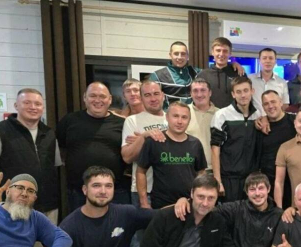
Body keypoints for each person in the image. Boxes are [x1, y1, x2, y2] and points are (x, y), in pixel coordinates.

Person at [0, 88, 60, 224]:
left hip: (48, 207)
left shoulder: (49, 133)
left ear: (43, 108)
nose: (33, 107)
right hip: (12, 207)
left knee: (48, 238)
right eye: (27, 103)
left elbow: (55, 167)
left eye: (38, 104)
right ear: (16, 105)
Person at [57, 82, 130, 211]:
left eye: (102, 96)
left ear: (110, 99)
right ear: (85, 98)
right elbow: (60, 148)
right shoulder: (69, 120)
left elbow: (129, 153)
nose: (97, 100)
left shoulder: (123, 123)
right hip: (79, 192)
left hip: (116, 191)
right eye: (93, 96)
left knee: (117, 224)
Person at [136, 101, 207, 209]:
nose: (180, 121)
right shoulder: (154, 142)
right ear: (167, 118)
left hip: (190, 204)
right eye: (175, 116)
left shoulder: (195, 143)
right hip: (161, 205)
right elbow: (140, 171)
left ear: (189, 120)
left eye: (184, 117)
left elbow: (201, 172)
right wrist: (144, 202)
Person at [211, 76, 261, 202]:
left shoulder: (258, 115)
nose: (243, 95)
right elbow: (215, 150)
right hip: (229, 180)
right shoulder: (221, 115)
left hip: (251, 179)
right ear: (233, 94)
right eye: (238, 92)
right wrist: (218, 181)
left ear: (252, 91)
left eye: (246, 91)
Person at [121, 80, 169, 209]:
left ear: (163, 95)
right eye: (147, 95)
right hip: (143, 191)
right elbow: (127, 157)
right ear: (141, 98)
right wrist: (144, 136)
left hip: (170, 188)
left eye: (156, 94)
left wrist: (140, 143)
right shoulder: (132, 121)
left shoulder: (173, 119)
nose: (153, 99)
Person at [257, 90, 296, 209]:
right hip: (269, 183)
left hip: (293, 181)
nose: (270, 106)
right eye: (266, 104)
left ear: (280, 102)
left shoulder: (295, 122)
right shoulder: (260, 127)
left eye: (273, 102)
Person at [198, 37, 242, 108]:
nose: (221, 54)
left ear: (230, 53)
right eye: (218, 50)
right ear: (212, 52)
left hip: (233, 114)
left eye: (225, 51)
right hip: (210, 114)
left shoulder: (239, 73)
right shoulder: (203, 75)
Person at [186, 78, 219, 169]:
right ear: (191, 93)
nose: (199, 94)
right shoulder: (183, 113)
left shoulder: (221, 114)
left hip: (216, 170)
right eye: (195, 91)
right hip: (190, 170)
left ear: (210, 93)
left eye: (203, 90)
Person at [249, 48, 290, 113]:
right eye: (264, 58)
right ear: (259, 61)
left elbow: (285, 105)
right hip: (255, 118)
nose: (268, 61)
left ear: (275, 61)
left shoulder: (282, 82)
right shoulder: (250, 79)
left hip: (275, 118)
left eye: (271, 58)